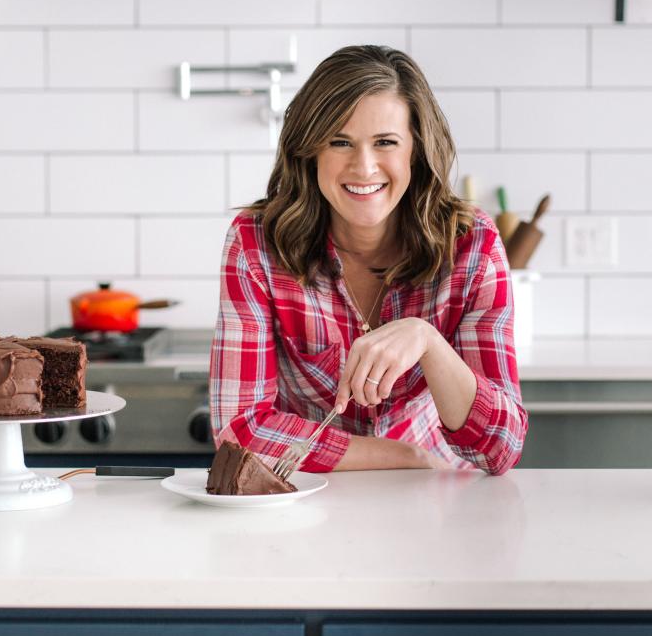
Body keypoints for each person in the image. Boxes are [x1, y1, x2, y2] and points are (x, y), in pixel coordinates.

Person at [209, 45, 526, 475]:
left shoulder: (472, 246)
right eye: (340, 142)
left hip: (437, 507)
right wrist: (402, 457)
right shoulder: (257, 244)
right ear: (311, 151)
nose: (364, 166)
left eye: (385, 142)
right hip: (308, 506)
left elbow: (501, 449)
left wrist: (428, 341)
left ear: (416, 148)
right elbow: (240, 430)